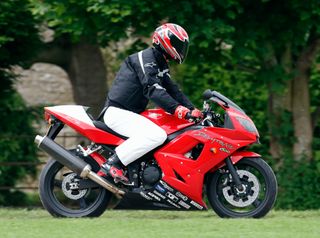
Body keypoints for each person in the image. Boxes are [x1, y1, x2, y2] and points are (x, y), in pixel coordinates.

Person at [101, 23, 202, 184]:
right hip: (118, 113)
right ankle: (113, 163)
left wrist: (192, 109)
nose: (181, 49)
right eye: (178, 44)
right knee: (157, 135)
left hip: (131, 114)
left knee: (165, 129)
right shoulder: (144, 58)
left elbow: (173, 90)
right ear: (165, 42)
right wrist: (178, 109)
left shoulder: (160, 63)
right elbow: (152, 89)